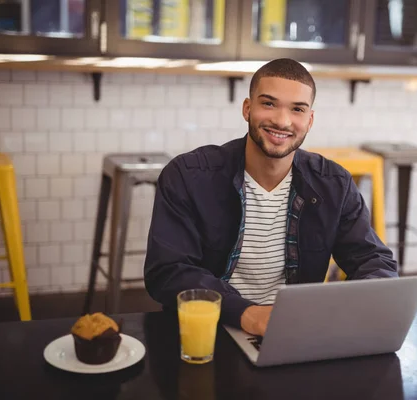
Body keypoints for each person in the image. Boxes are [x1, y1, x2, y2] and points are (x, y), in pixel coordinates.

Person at [144, 58, 398, 337]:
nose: (282, 120)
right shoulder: (187, 176)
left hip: (293, 332)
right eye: (268, 104)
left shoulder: (334, 184)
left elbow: (373, 260)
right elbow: (168, 271)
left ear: (309, 120)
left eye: (297, 109)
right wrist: (246, 313)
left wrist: (350, 308)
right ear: (247, 108)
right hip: (207, 331)